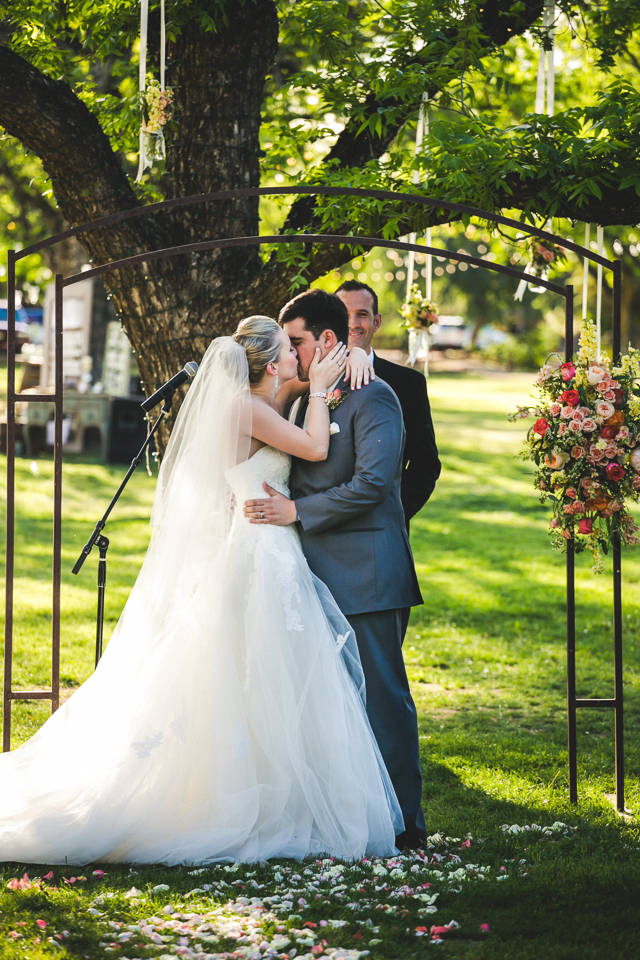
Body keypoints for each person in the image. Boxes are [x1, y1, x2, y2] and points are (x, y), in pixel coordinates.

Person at [0, 317, 403, 865]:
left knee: (270, 676)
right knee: (259, 673)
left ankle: (278, 795)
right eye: (288, 349)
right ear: (266, 362)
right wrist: (327, 384)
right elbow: (312, 447)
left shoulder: (261, 401)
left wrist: (359, 357)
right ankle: (245, 802)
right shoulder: (246, 408)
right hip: (261, 550)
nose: (296, 357)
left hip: (269, 546)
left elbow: (306, 395)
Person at [243, 289, 427, 849]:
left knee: (382, 701)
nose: (290, 356)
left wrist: (296, 510)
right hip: (311, 575)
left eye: (295, 342)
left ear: (326, 339)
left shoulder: (376, 399)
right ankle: (350, 819)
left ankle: (405, 826)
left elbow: (374, 483)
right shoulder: (303, 400)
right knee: (333, 707)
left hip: (367, 574)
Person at [336, 280, 441, 529]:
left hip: (384, 530)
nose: (352, 323)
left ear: (377, 322)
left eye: (362, 314)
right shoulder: (311, 379)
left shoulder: (408, 383)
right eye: (344, 314)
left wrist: (395, 514)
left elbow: (425, 464)